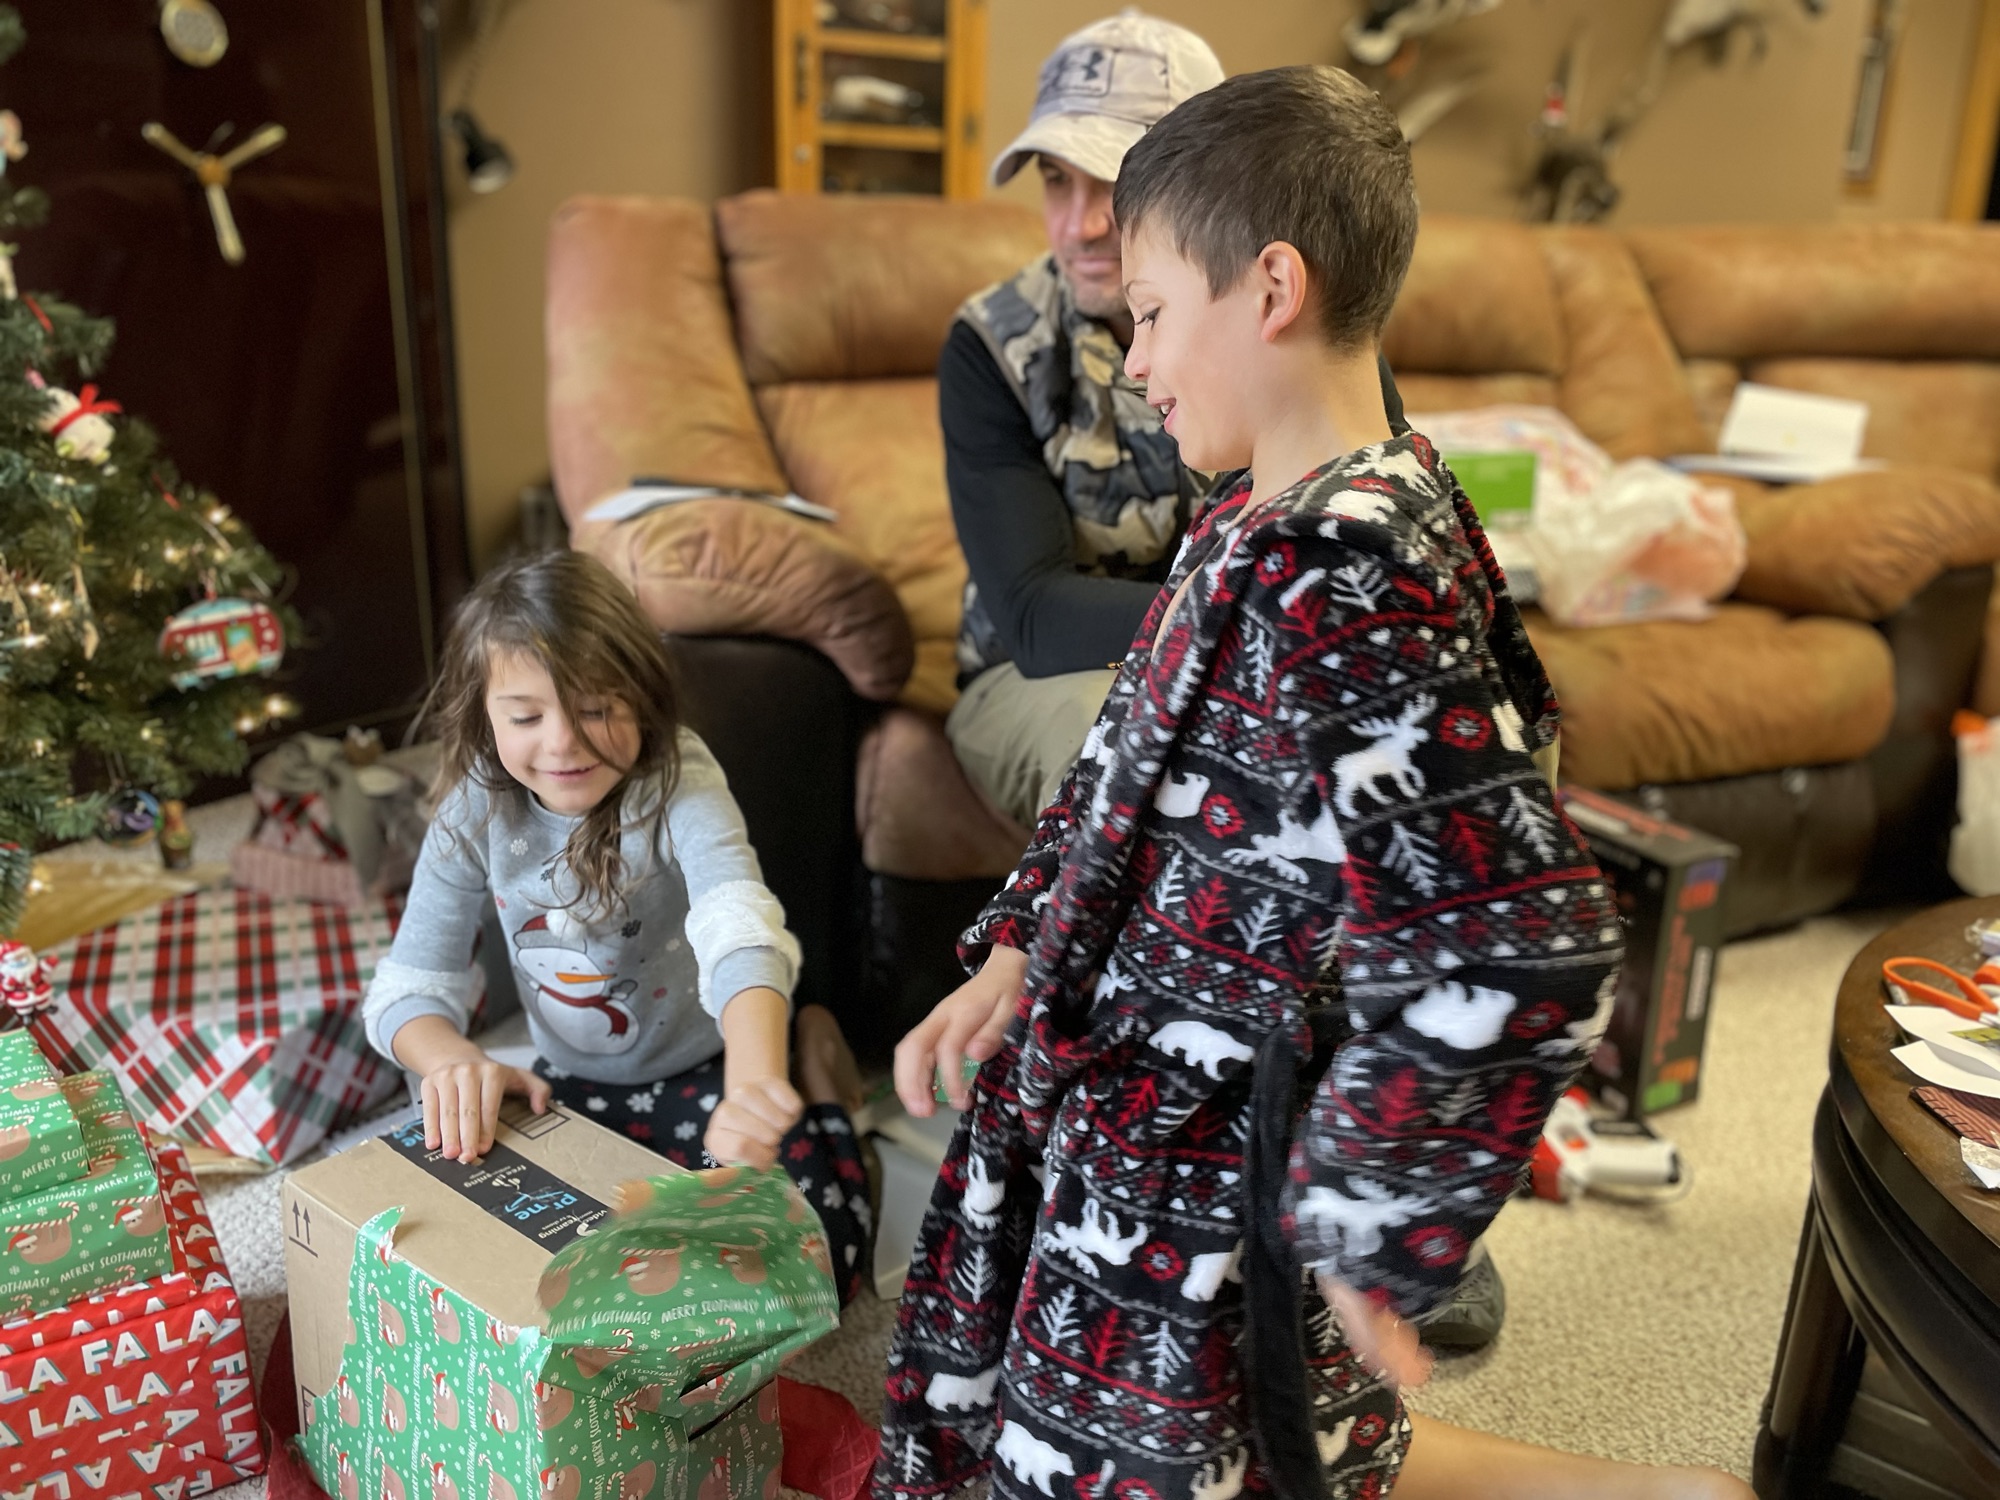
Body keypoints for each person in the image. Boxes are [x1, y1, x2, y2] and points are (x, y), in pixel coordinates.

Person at [873, 67, 1752, 1500]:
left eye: (1153, 314)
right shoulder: (1275, 509)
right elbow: (1122, 764)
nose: (1137, 363)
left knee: (1143, 1455)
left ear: (1272, 289)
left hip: (1213, 1147)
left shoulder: (1338, 566)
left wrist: (1370, 1210)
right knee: (1273, 1438)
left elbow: (1516, 936)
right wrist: (1024, 945)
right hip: (1145, 1090)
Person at [944, 9, 1498, 1353]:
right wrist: (1235, 626)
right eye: (1056, 178)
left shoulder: (1299, 352)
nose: (1081, 216)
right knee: (1163, 765)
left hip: (1233, 646)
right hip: (1054, 672)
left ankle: (1370, 1179)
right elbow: (1035, 612)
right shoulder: (995, 342)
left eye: (1114, 176)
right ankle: (1151, 1147)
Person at [360, 550, 870, 1303]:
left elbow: (738, 925)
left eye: (597, 708)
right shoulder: (474, 808)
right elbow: (405, 991)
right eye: (526, 716)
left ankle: (812, 1062)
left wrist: (757, 1079)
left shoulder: (679, 776)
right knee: (565, 1273)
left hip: (712, 1060)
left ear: (644, 697)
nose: (564, 742)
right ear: (483, 716)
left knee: (813, 1265)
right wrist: (452, 1060)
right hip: (572, 1080)